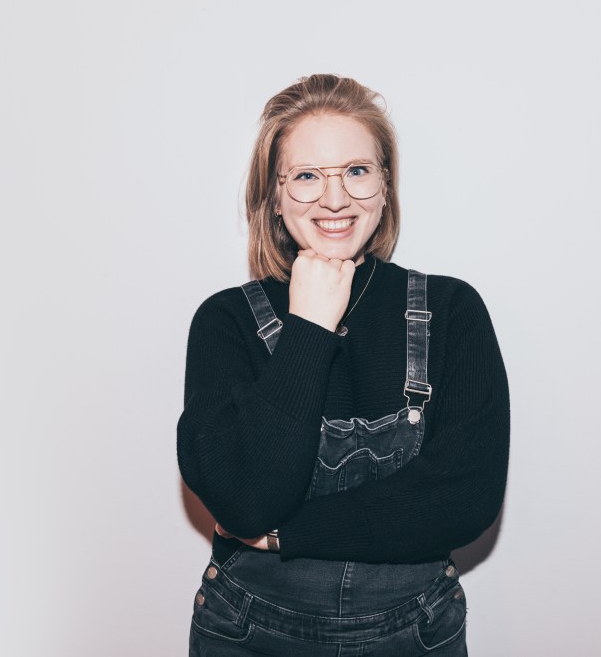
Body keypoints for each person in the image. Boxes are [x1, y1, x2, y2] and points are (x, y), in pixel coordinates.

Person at [177, 74, 510, 656]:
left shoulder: (453, 311)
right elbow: (245, 501)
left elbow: (464, 501)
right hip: (250, 635)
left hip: (415, 636)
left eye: (356, 170)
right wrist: (309, 326)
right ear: (274, 196)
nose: (335, 200)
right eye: (307, 176)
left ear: (385, 185)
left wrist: (285, 533)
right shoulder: (224, 323)